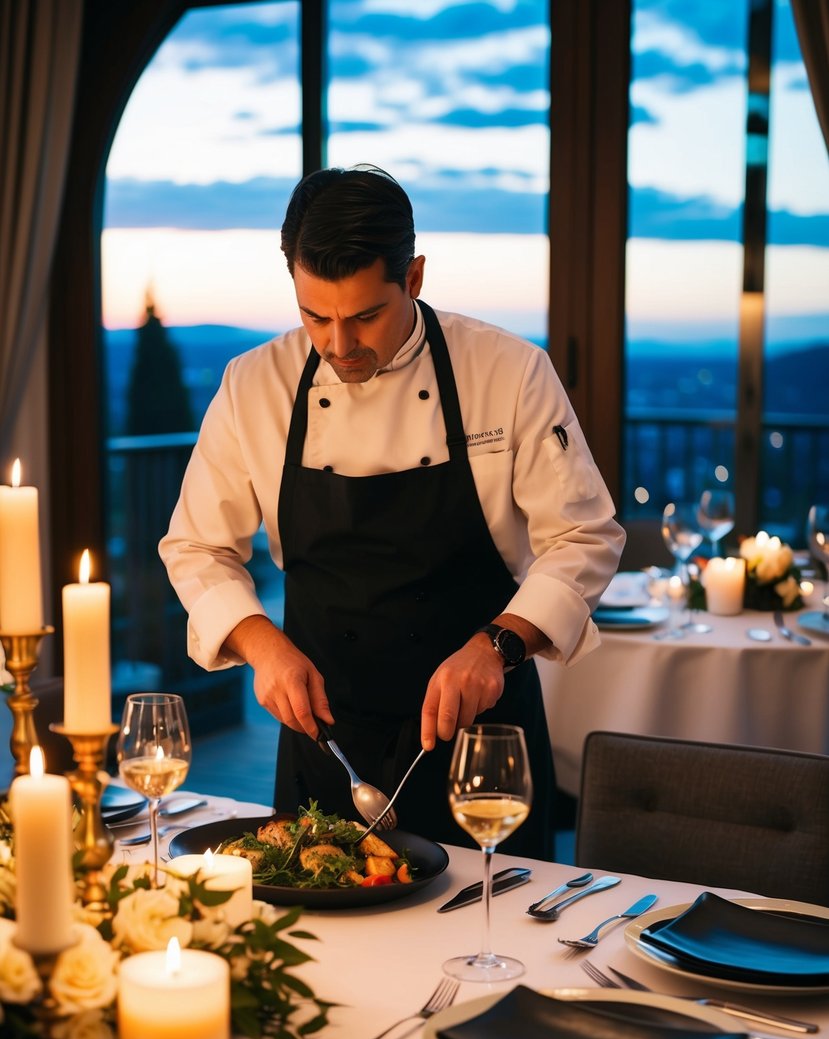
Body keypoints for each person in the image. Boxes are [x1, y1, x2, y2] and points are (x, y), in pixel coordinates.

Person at [159, 165, 624, 857]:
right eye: (316, 317)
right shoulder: (254, 384)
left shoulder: (507, 371)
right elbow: (197, 546)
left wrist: (498, 645)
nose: (339, 346)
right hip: (324, 734)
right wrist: (263, 646)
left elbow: (583, 536)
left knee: (496, 945)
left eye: (364, 316)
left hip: (479, 738)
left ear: (413, 278)